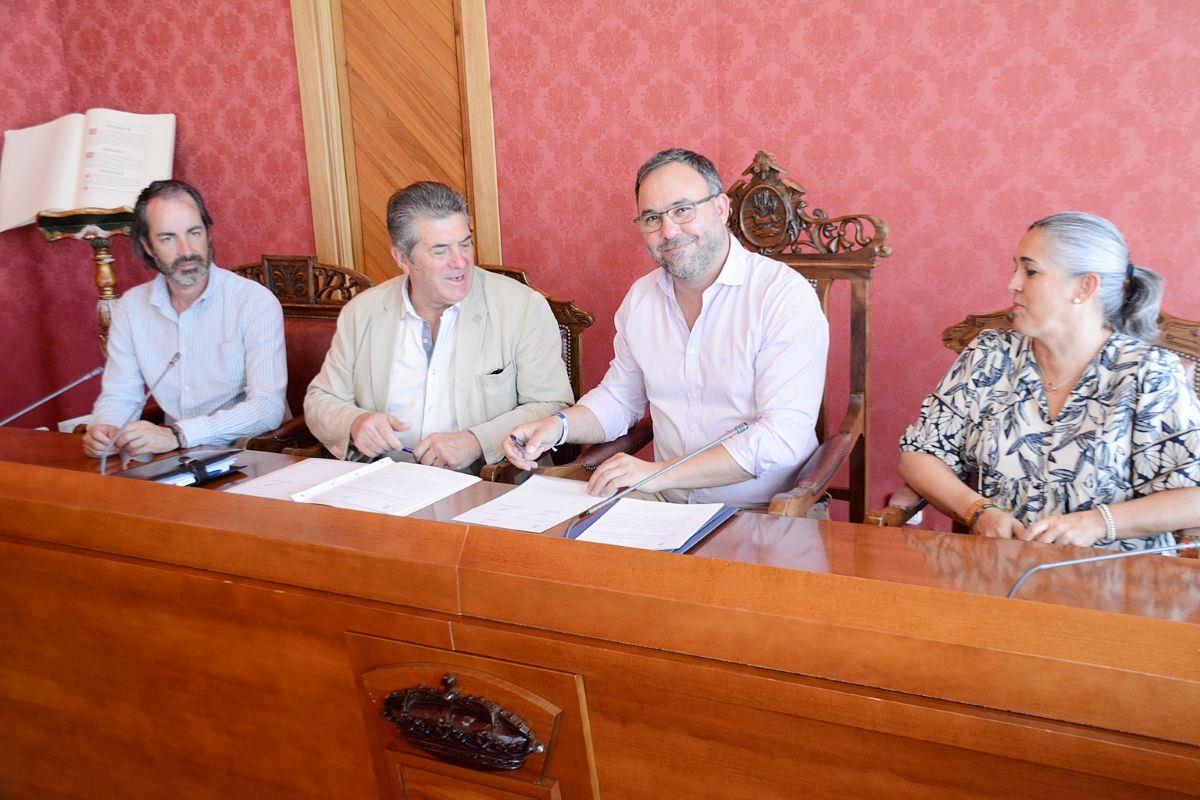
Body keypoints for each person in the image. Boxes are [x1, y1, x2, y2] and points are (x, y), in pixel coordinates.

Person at [503, 148, 828, 507]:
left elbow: (783, 437)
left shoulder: (781, 295)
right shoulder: (641, 299)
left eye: (682, 210)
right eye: (652, 218)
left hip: (769, 510)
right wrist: (557, 426)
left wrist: (660, 473)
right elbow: (619, 399)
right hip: (667, 504)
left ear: (721, 208)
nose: (669, 231)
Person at [900, 211, 1200, 551]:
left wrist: (1098, 523)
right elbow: (919, 455)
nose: (1013, 283)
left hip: (1115, 574)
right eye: (1015, 268)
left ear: (1085, 287)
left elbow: (1194, 497)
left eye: (1030, 271)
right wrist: (978, 510)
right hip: (1001, 566)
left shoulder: (1148, 372)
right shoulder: (989, 355)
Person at [304, 181, 572, 470]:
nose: (460, 262)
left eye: (465, 244)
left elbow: (553, 405)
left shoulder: (522, 307)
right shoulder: (362, 312)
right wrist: (354, 422)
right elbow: (320, 400)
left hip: (483, 479)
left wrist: (477, 441)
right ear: (403, 258)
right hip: (382, 477)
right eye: (440, 250)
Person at [83, 180, 287, 459]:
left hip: (252, 454)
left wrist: (179, 434)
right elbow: (121, 395)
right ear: (148, 246)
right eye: (168, 238)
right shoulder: (131, 307)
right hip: (174, 458)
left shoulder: (254, 302)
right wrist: (105, 429)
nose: (186, 250)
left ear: (208, 234)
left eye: (194, 233)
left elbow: (267, 408)